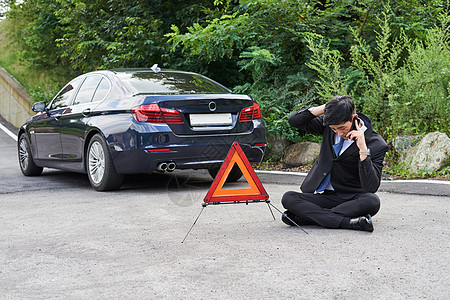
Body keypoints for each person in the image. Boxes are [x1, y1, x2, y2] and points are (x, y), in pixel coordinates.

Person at [281, 95, 388, 232]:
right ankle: (348, 222)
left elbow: (371, 187)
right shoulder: (329, 127)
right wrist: (328, 108)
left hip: (352, 199)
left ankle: (309, 216)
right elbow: (294, 120)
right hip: (326, 197)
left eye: (342, 127)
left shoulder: (377, 144)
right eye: (334, 129)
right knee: (289, 198)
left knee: (372, 201)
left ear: (354, 117)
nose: (339, 132)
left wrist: (363, 149)